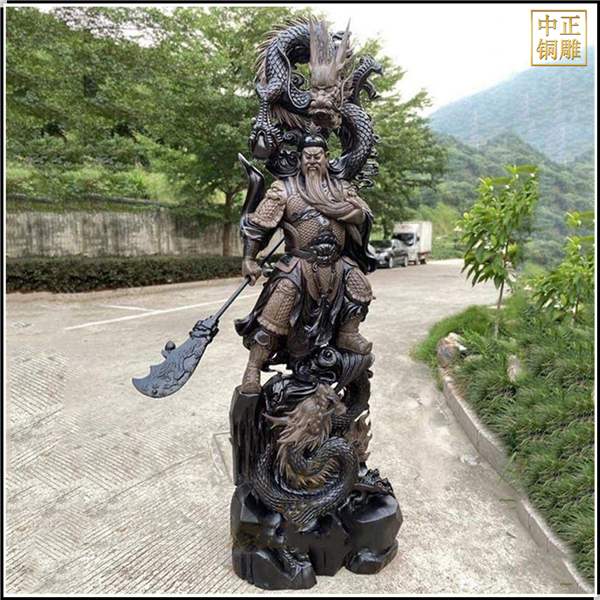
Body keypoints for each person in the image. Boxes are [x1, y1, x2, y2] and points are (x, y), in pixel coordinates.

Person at [235, 128, 377, 393]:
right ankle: (253, 368)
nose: (312, 161)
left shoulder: (342, 189)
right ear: (299, 159)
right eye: (307, 156)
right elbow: (258, 226)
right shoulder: (284, 189)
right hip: (299, 265)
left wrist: (347, 211)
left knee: (360, 286)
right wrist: (249, 259)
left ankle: (347, 333)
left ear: (327, 157)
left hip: (336, 263)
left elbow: (364, 215)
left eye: (317, 156)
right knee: (274, 314)